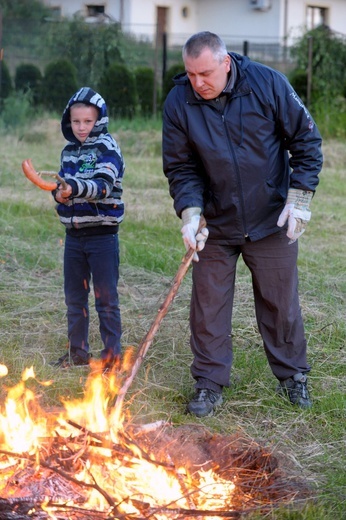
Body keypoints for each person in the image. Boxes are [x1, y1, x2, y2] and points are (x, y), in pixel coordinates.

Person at [162, 31, 323, 417]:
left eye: (204, 73)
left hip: (271, 219)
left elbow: (306, 141)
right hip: (215, 223)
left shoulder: (267, 84)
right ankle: (208, 382)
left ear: (225, 63)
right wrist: (190, 212)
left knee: (280, 302)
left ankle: (293, 376)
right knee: (208, 306)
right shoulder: (179, 101)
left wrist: (299, 200)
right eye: (190, 74)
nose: (197, 82)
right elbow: (181, 167)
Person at [51, 87, 125, 371]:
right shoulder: (68, 152)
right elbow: (63, 187)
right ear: (68, 121)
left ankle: (112, 358)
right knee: (74, 298)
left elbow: (103, 186)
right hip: (74, 237)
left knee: (105, 299)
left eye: (88, 121)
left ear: (100, 120)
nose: (81, 127)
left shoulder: (108, 148)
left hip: (102, 236)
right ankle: (78, 352)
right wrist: (58, 194)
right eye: (76, 121)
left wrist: (74, 188)